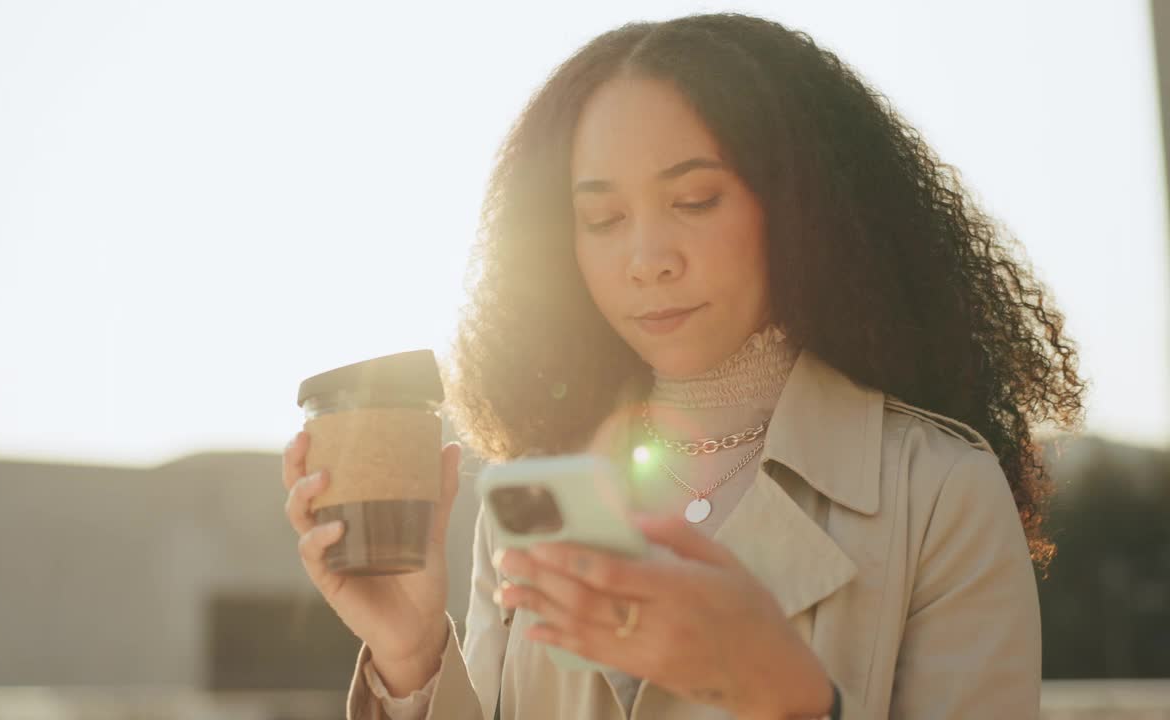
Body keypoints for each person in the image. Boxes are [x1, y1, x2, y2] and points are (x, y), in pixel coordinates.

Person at [281, 12, 1086, 720]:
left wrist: (791, 700)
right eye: (600, 217)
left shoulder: (940, 490)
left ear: (803, 206)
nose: (645, 259)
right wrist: (414, 655)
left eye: (695, 201)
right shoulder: (531, 497)